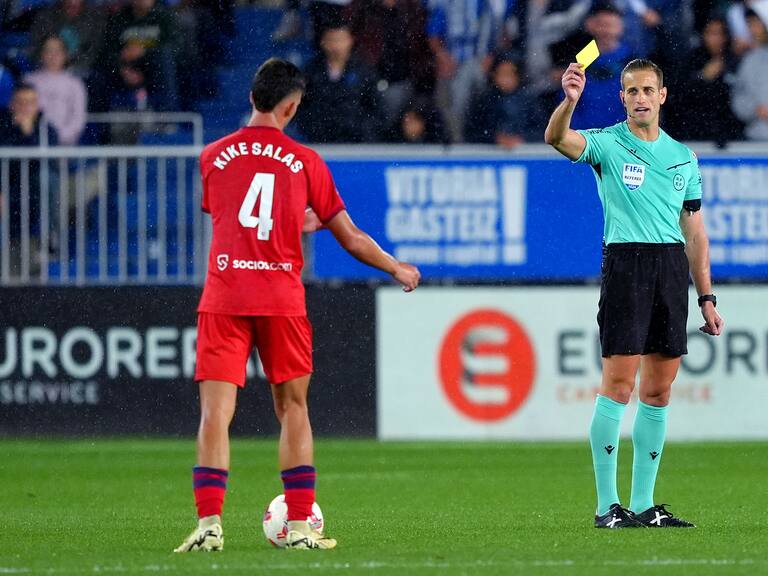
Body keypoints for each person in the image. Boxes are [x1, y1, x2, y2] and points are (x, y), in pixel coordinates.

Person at [173, 58, 420, 552]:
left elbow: (237, 211)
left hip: (224, 295)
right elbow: (347, 237)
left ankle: (209, 525)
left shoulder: (211, 156)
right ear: (290, 106)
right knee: (293, 409)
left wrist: (286, 217)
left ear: (251, 98)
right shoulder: (306, 161)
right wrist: (395, 267)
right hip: (281, 298)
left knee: (216, 412)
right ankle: (304, 525)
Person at [544, 58, 724, 528]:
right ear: (622, 97)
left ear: (662, 96)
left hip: (669, 269)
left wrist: (706, 297)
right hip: (627, 263)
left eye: (648, 90)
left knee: (659, 391)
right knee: (619, 386)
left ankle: (644, 505)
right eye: (632, 91)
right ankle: (607, 506)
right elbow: (557, 139)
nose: (640, 98)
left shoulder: (684, 157)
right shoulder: (607, 143)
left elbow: (695, 232)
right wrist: (569, 102)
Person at [24, 35, 87, 145]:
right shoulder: (29, 80)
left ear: (65, 54)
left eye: (58, 51)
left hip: (65, 145)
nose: (53, 55)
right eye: (49, 50)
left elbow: (78, 119)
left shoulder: (75, 83)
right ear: (41, 54)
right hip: (33, 144)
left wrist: (57, 138)